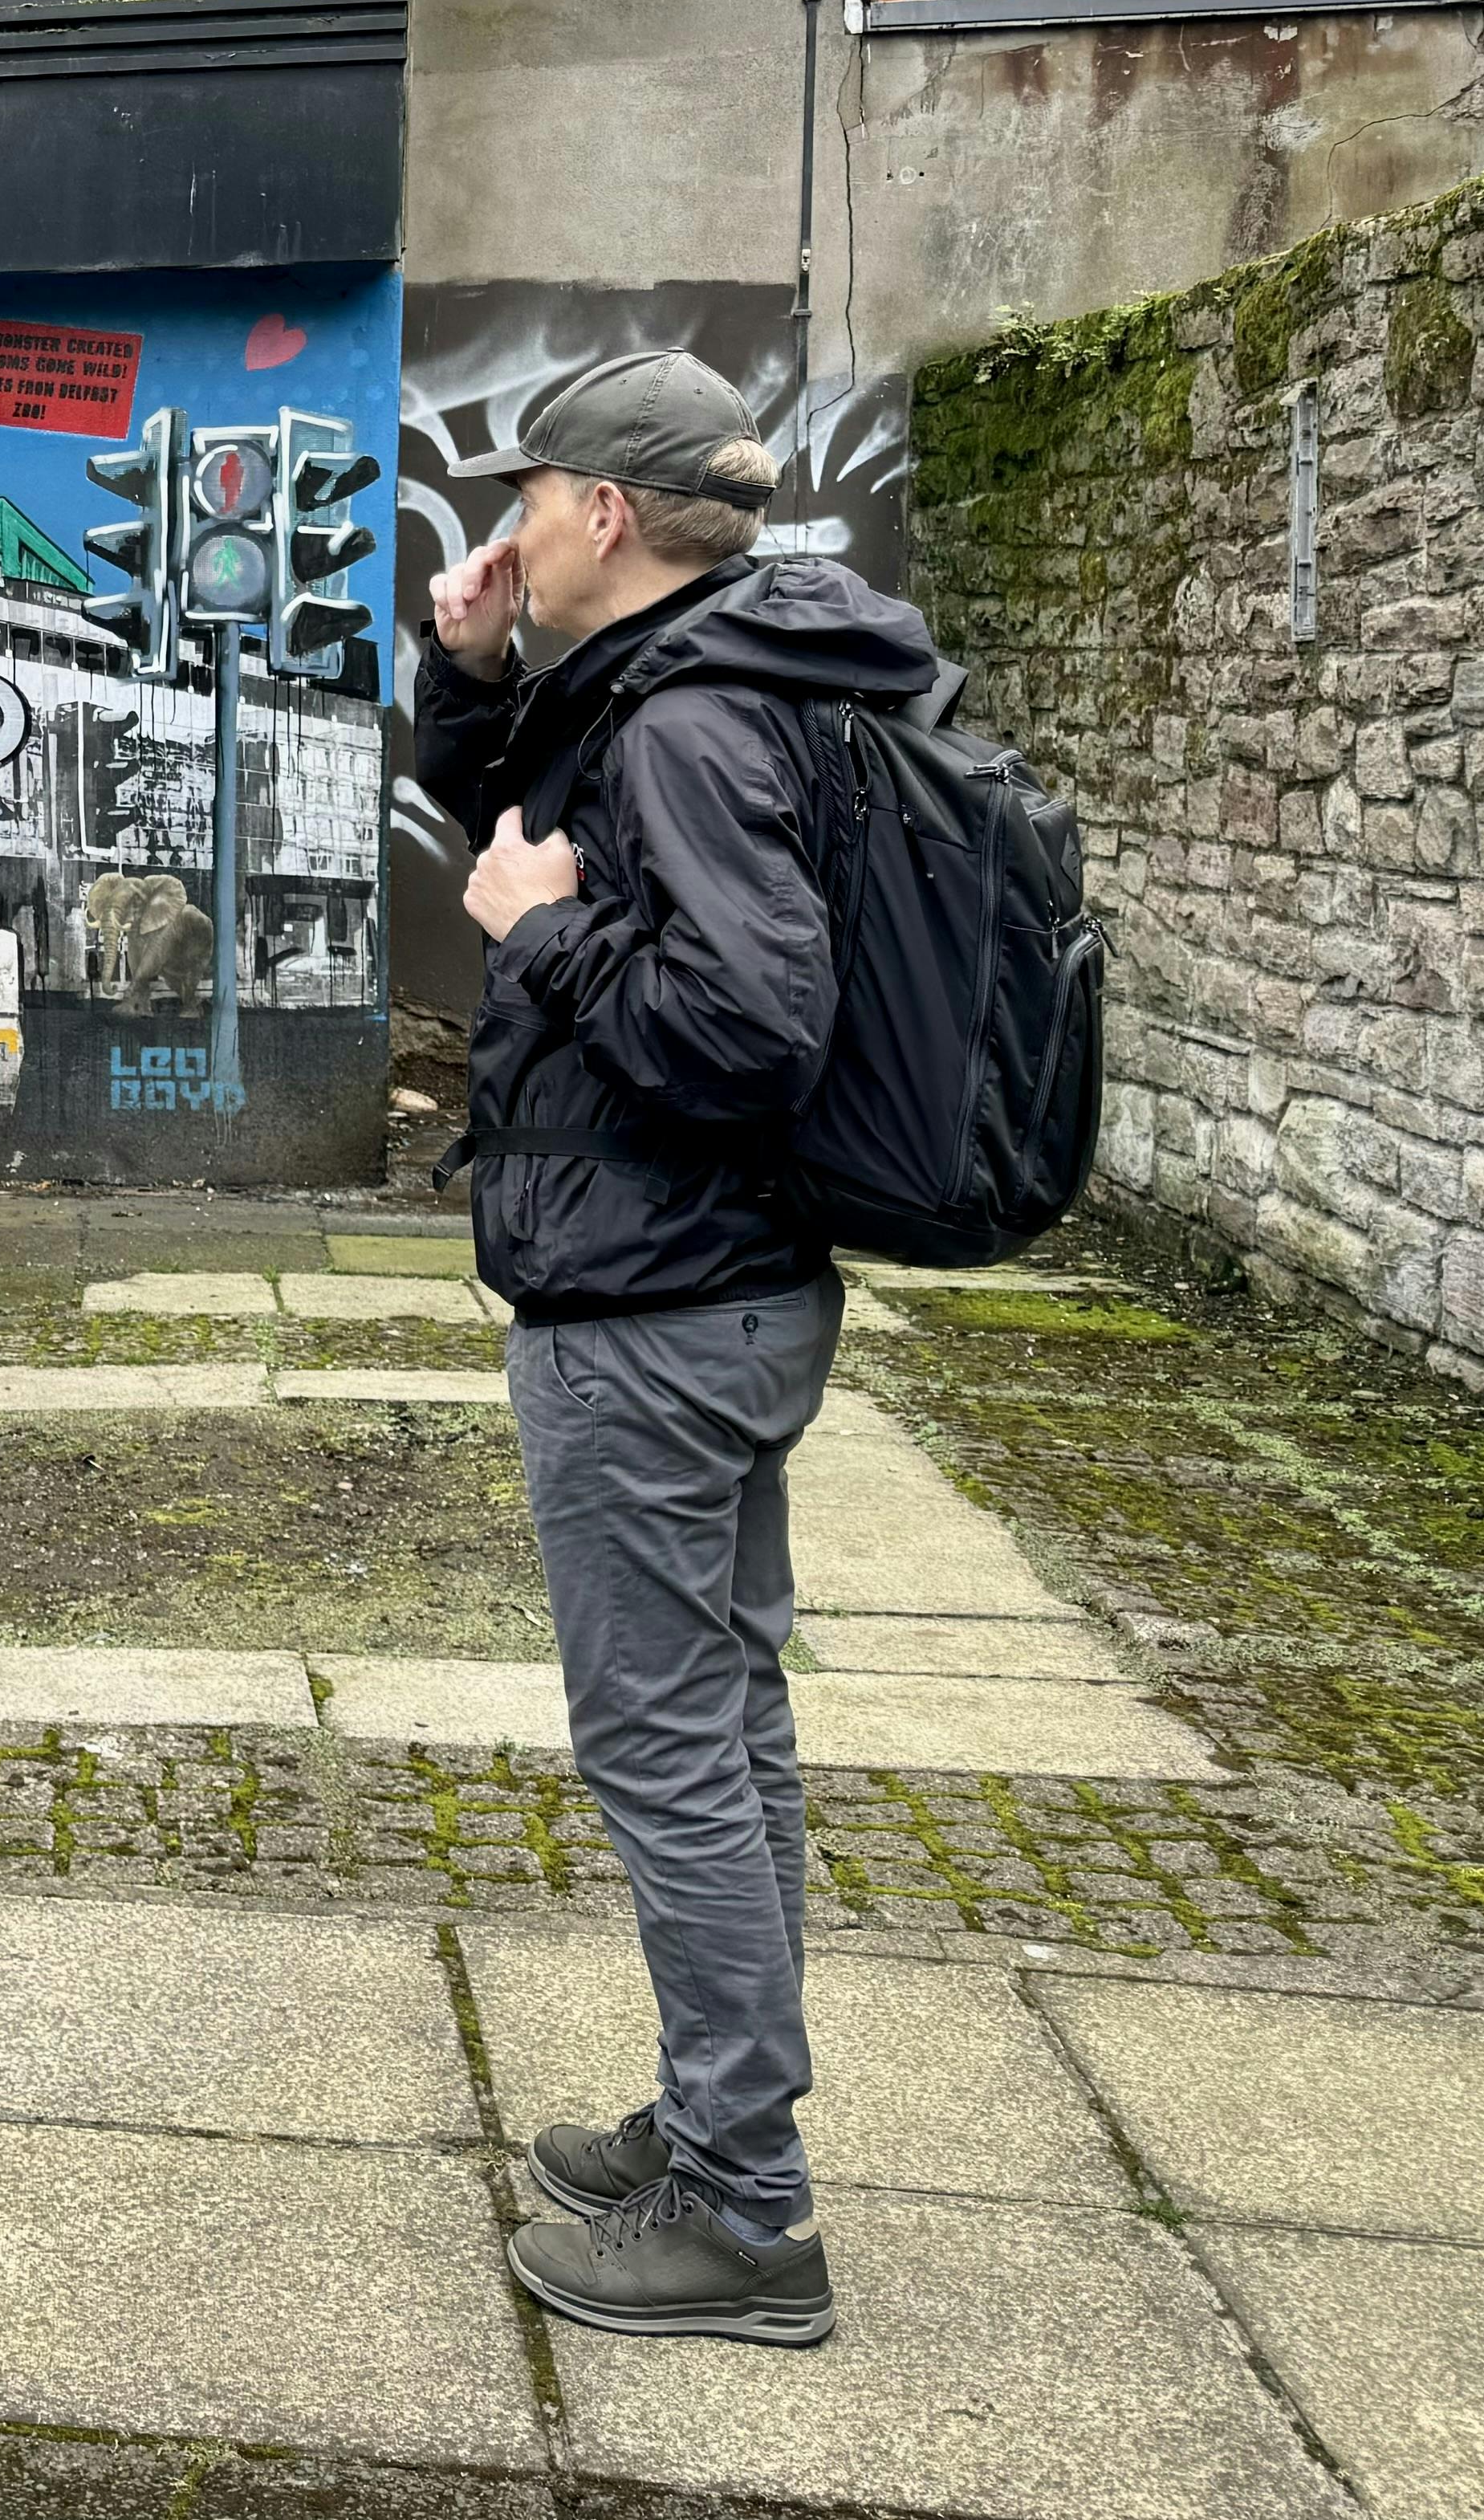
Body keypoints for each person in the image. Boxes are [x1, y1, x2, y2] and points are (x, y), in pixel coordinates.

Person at [415, 350, 944, 2351]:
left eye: (531, 496)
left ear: (606, 513)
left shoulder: (696, 719)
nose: (513, 526)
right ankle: (720, 2122)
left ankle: (744, 2212)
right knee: (728, 1731)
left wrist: (542, 934)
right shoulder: (710, 672)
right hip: (716, 1287)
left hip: (654, 1309)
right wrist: (472, 677)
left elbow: (742, 1030)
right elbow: (536, 829)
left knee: (667, 1749)